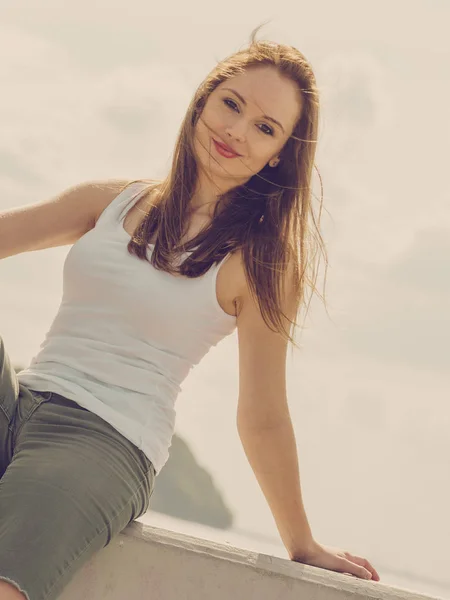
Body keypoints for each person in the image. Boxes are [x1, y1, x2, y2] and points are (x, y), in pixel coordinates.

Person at [0, 26, 380, 600]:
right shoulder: (114, 200)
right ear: (204, 98)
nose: (236, 132)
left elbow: (262, 414)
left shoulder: (259, 264)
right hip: (22, 402)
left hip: (104, 442)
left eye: (265, 128)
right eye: (231, 104)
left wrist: (302, 543)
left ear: (279, 156)